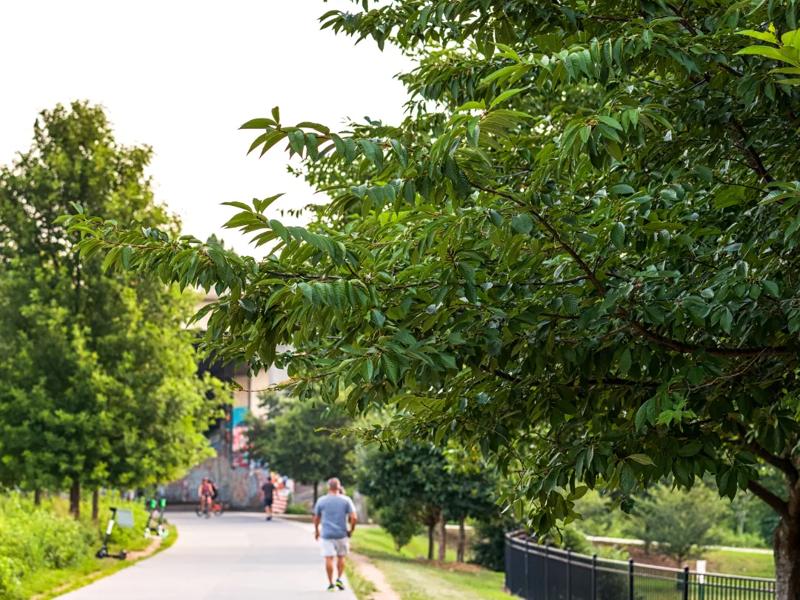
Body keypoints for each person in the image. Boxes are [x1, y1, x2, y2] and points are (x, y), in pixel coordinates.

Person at [313, 478, 357, 592]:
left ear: (329, 487)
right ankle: (339, 578)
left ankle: (331, 584)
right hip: (341, 534)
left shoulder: (321, 500)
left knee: (329, 558)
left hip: (326, 534)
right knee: (341, 557)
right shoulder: (346, 500)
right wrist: (351, 530)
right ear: (339, 487)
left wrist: (317, 530)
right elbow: (354, 517)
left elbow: (316, 517)